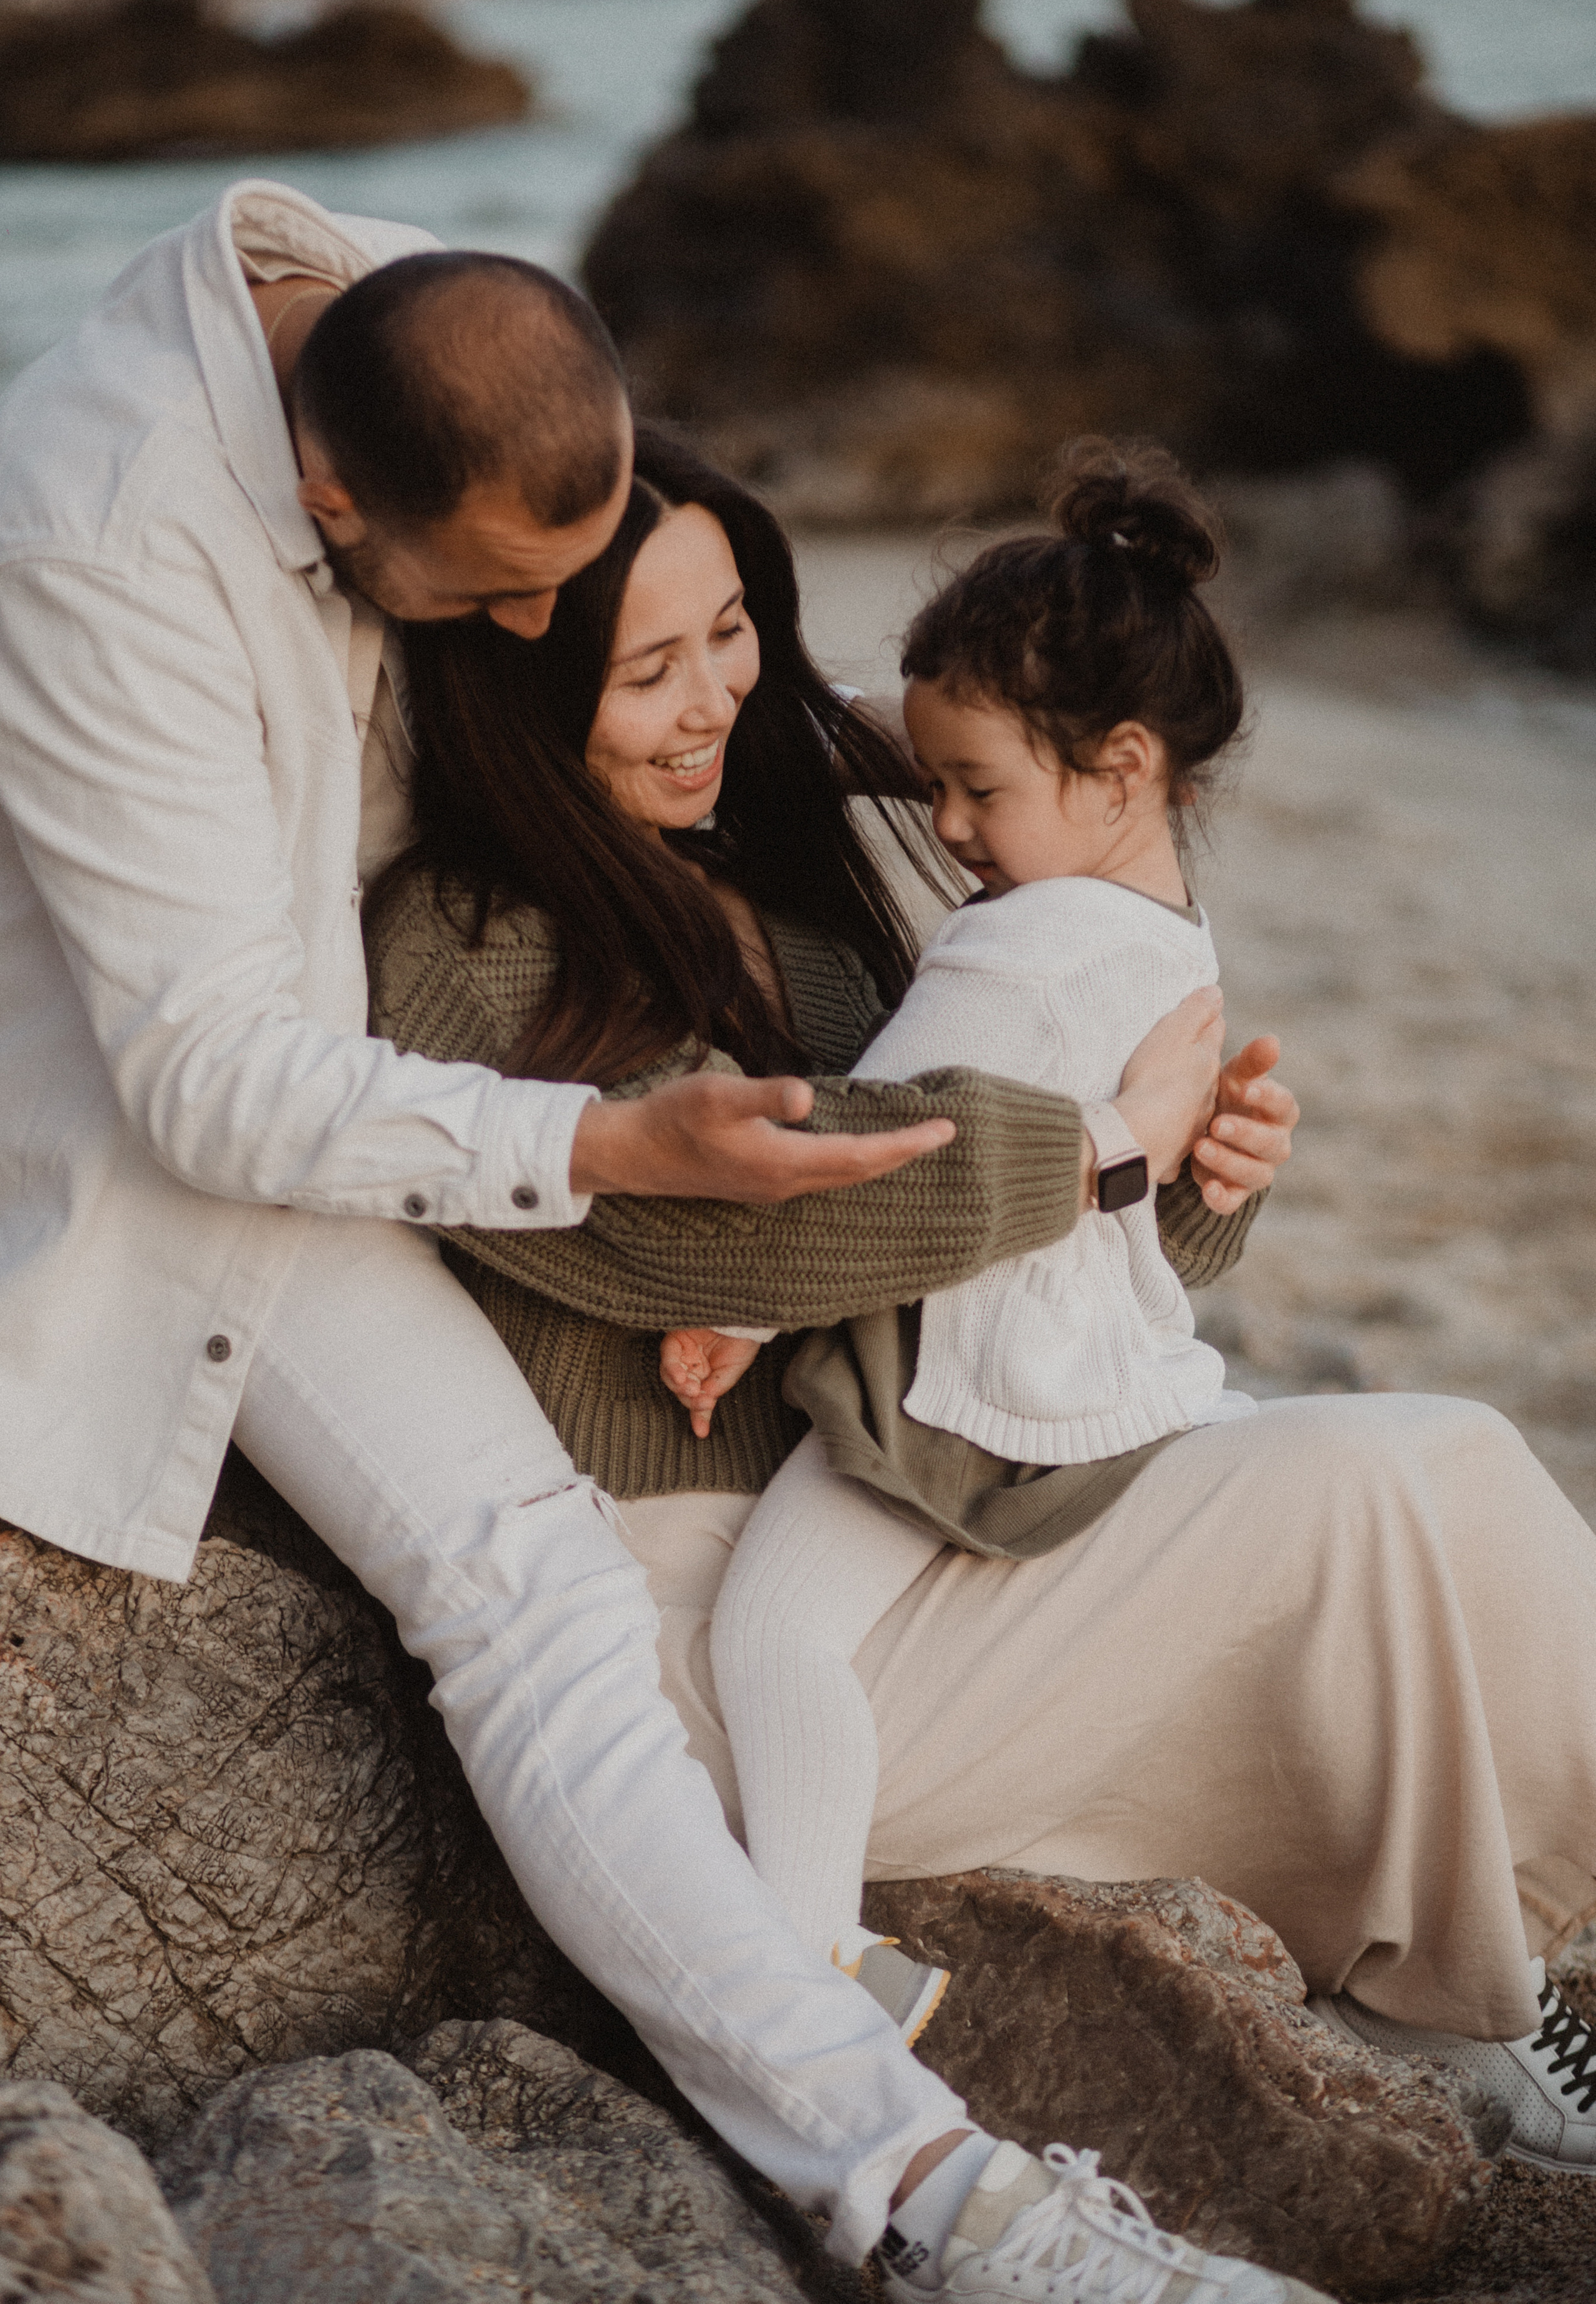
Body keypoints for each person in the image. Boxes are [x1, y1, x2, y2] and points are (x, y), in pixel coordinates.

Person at [0, 183, 1309, 2304]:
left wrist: (969, 774)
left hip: (407, 1063)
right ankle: (934, 2201)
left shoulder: (444, 329)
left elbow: (654, 649)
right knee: (527, 1596)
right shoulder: (95, 541)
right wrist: (612, 1155)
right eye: (488, 604)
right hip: (193, 1144)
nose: (513, 637)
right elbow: (212, 1085)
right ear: (328, 495)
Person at [368, 421, 1596, 2260]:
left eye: (737, 640)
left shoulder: (794, 882)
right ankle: (1473, 1994)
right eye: (647, 670)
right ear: (521, 680)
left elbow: (994, 1237)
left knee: (1418, 1483)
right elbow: (762, 1210)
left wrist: (1190, 1187)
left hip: (914, 1475)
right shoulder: (465, 944)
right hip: (712, 1603)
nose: (713, 704)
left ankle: (1477, 1984)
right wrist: (1109, 1149)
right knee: (1423, 1482)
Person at [665, 440, 1262, 2009]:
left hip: (968, 1385)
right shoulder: (1155, 908)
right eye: (925, 777)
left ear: (1121, 765)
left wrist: (739, 1310)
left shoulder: (1022, 946)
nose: (941, 823)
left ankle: (811, 1956)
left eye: (973, 786)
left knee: (776, 1634)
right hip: (1099, 1361)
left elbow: (872, 1141)